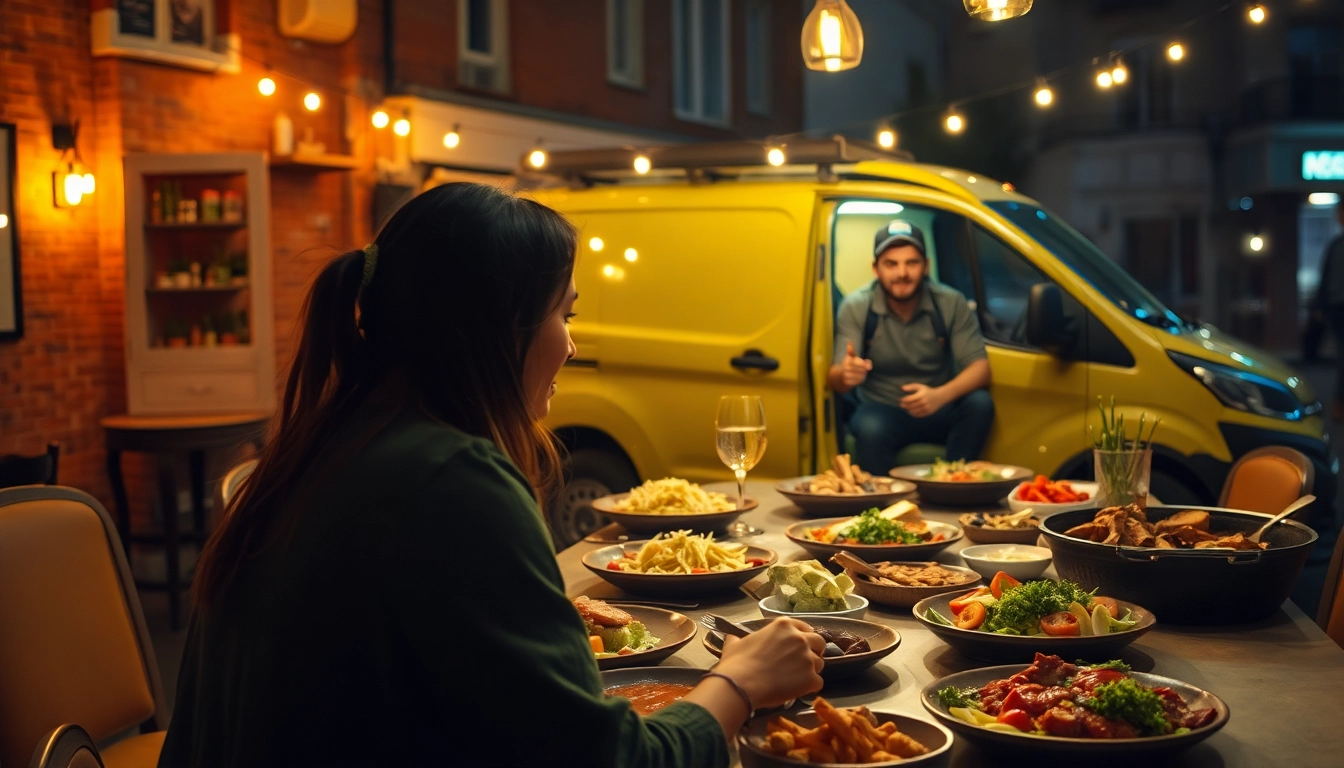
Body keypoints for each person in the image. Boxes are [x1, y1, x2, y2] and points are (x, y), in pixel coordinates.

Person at [159, 183, 825, 768]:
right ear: (499, 329)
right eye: (564, 313)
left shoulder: (322, 446)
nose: (571, 343)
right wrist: (740, 681)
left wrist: (519, 615)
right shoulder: (454, 478)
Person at [827, 219, 994, 474]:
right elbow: (836, 377)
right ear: (876, 269)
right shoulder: (857, 306)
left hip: (939, 406)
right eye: (891, 264)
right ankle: (883, 503)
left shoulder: (950, 302)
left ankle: (953, 485)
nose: (902, 273)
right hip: (883, 410)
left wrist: (939, 396)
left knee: (980, 404)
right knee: (869, 426)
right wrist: (847, 374)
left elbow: (980, 369)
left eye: (911, 263)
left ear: (926, 266)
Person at [1316, 203, 1344, 421]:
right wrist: (1321, 307)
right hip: (1337, 308)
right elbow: (1325, 279)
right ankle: (1339, 404)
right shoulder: (1335, 245)